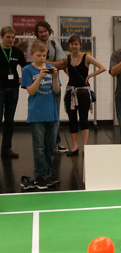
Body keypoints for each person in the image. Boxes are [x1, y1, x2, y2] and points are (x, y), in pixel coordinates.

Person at [21, 40, 60, 190]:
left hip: (51, 113)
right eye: (39, 55)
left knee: (50, 147)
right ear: (32, 55)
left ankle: (48, 173)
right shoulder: (27, 70)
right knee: (39, 147)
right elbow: (31, 91)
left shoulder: (52, 68)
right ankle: (40, 176)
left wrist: (55, 77)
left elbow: (56, 90)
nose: (42, 58)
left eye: (44, 55)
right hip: (36, 113)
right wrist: (40, 77)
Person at [27, 21, 67, 152]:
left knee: (55, 114)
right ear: (36, 33)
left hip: (53, 84)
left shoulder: (55, 45)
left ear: (49, 32)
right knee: (39, 116)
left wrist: (44, 62)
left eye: (45, 31)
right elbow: (31, 64)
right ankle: (43, 144)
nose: (44, 34)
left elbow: (63, 64)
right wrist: (51, 64)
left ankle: (55, 143)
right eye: (40, 32)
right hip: (38, 86)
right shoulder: (32, 46)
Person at [63, 35, 106, 156]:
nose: (74, 46)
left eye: (76, 44)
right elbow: (63, 68)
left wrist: (90, 75)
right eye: (72, 44)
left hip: (83, 93)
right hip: (71, 92)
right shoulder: (68, 58)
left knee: (83, 119)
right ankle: (75, 146)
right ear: (69, 46)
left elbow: (102, 67)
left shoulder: (86, 57)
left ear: (80, 45)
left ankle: (85, 146)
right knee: (72, 120)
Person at [0, 26, 26, 158]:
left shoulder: (17, 52)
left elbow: (25, 67)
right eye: (8, 37)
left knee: (9, 120)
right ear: (2, 37)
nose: (10, 40)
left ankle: (6, 149)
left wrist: (23, 78)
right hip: (0, 88)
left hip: (13, 89)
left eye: (12, 37)